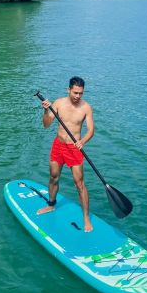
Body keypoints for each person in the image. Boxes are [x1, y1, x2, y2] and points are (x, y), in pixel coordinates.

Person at [38, 76, 95, 232]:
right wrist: (45, 110)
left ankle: (86, 218)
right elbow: (46, 125)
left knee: (80, 184)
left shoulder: (86, 108)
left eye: (81, 93)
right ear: (68, 89)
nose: (78, 96)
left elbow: (91, 130)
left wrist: (82, 141)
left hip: (74, 148)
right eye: (75, 92)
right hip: (58, 145)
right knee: (53, 177)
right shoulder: (58, 103)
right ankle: (51, 205)